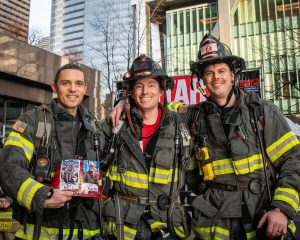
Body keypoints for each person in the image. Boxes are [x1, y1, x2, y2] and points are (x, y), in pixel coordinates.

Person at [110, 35, 300, 239]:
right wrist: (126, 104)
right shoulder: (193, 116)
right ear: (202, 80)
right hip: (214, 222)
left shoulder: (261, 112)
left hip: (261, 218)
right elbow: (157, 108)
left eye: (221, 71)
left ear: (233, 75)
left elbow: (294, 161)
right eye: (209, 73)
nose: (216, 77)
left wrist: (281, 209)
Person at [0, 63, 103, 239]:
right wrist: (42, 196)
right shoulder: (33, 120)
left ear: (85, 88)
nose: (72, 89)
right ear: (54, 87)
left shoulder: (94, 127)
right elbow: (9, 169)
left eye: (78, 84)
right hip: (40, 231)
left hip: (86, 231)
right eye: (65, 83)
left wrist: (122, 103)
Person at [99, 54, 191, 240]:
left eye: (151, 85)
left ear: (161, 91)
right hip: (123, 226)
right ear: (131, 92)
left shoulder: (179, 126)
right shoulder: (114, 125)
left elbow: (195, 174)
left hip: (168, 223)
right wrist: (120, 104)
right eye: (139, 86)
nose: (145, 92)